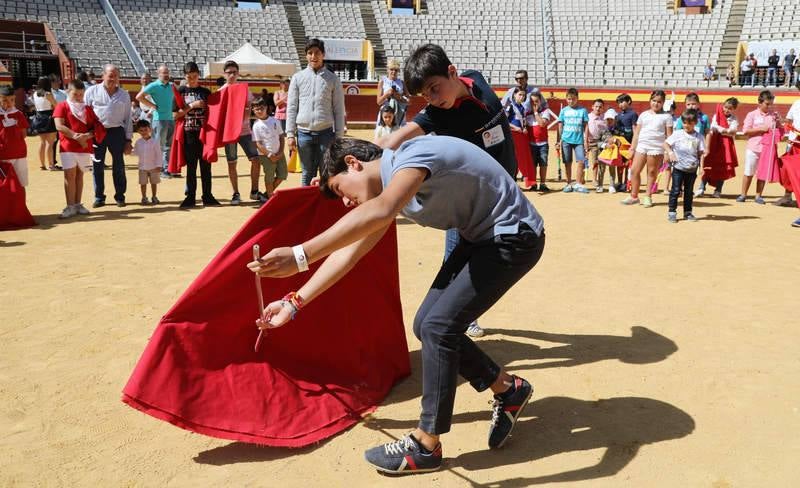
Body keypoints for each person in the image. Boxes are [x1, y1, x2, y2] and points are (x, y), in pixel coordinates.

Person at [247, 135, 545, 475]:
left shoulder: (413, 158)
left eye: (341, 190)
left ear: (353, 164)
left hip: (513, 237)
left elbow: (381, 210)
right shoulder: (391, 191)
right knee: (426, 325)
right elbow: (351, 252)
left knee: (438, 327)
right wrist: (294, 302)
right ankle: (508, 388)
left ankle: (426, 444)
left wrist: (300, 254)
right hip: (480, 239)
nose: (345, 202)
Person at [375, 43, 519, 338]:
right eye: (424, 95)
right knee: (455, 258)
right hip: (469, 201)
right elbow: (397, 138)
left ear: (453, 73)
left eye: (434, 88)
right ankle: (455, 317)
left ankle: (458, 315)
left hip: (503, 190)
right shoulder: (436, 115)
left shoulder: (476, 78)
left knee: (486, 257)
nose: (431, 99)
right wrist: (354, 160)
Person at [286, 39, 346, 187]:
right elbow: (292, 107)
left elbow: (339, 109)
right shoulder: (297, 78)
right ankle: (307, 206)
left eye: (317, 53)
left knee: (326, 172)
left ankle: (322, 207)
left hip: (326, 133)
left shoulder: (333, 79)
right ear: (306, 56)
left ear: (323, 54)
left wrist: (339, 137)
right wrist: (290, 134)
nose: (314, 56)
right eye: (310, 53)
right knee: (307, 172)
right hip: (303, 134)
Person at [84, 64, 133, 207]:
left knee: (119, 165)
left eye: (115, 76)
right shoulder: (91, 92)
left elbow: (128, 118)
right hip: (97, 132)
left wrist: (128, 139)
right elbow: (85, 114)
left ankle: (120, 196)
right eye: (110, 75)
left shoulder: (124, 95)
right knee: (97, 165)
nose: (113, 79)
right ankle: (99, 197)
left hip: (117, 132)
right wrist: (87, 134)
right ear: (103, 76)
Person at [53, 79, 101, 218]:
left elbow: (96, 127)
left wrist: (87, 135)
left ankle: (78, 204)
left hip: (84, 146)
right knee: (69, 175)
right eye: (75, 94)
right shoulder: (62, 106)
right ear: (68, 91)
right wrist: (76, 136)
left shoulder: (87, 108)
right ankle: (70, 206)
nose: (79, 97)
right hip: (68, 146)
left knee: (80, 175)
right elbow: (59, 126)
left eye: (81, 94)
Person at [174, 61, 219, 209]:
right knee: (192, 167)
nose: (192, 79)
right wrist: (192, 106)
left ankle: (208, 196)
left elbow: (214, 113)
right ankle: (191, 197)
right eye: (189, 77)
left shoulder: (206, 92)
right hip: (189, 133)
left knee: (206, 166)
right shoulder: (180, 91)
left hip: (205, 133)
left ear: (198, 75)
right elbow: (175, 115)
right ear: (185, 76)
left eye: (194, 76)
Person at [220, 60, 264, 205]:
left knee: (256, 160)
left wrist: (244, 111)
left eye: (234, 72)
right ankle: (235, 193)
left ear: (238, 73)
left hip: (245, 130)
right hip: (230, 132)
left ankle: (254, 191)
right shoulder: (221, 92)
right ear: (224, 74)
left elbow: (249, 107)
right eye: (229, 72)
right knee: (232, 163)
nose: (232, 75)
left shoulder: (245, 90)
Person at [622, 90, 672, 207]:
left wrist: (667, 151)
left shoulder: (667, 116)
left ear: (663, 102)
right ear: (650, 100)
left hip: (656, 148)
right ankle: (634, 196)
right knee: (634, 171)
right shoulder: (644, 115)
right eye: (654, 101)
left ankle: (648, 196)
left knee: (651, 172)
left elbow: (669, 136)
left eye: (659, 102)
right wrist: (632, 148)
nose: (656, 103)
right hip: (642, 146)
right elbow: (637, 133)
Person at [664, 109, 705, 223]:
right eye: (685, 122)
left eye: (690, 123)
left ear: (695, 123)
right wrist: (671, 153)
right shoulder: (677, 134)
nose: (687, 125)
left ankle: (688, 212)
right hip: (678, 167)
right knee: (676, 190)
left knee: (689, 192)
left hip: (692, 169)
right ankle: (672, 212)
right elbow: (666, 144)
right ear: (682, 122)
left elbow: (701, 154)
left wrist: (702, 167)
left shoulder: (699, 137)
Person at [738, 90, 779, 204]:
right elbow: (745, 131)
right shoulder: (752, 115)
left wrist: (779, 123)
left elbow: (779, 128)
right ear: (760, 102)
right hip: (753, 147)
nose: (769, 106)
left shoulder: (774, 116)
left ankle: (758, 196)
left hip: (767, 148)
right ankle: (743, 195)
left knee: (762, 172)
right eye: (767, 104)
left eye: (771, 104)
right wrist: (761, 129)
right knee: (748, 171)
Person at [137, 65, 176, 178]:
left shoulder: (172, 86)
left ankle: (165, 168)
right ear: (158, 74)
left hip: (170, 118)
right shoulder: (153, 85)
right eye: (164, 73)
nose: (166, 75)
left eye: (167, 72)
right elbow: (139, 97)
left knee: (168, 145)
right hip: (159, 119)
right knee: (157, 146)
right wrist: (153, 105)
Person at [700, 97, 740, 198]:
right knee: (709, 163)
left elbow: (733, 131)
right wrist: (725, 131)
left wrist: (723, 130)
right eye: (725, 107)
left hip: (726, 146)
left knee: (723, 167)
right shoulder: (716, 116)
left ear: (733, 109)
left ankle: (718, 189)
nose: (726, 110)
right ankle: (702, 187)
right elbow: (714, 127)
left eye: (729, 108)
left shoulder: (734, 119)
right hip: (715, 143)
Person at [251, 97, 287, 201]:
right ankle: (270, 198)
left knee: (282, 175)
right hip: (266, 156)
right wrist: (269, 155)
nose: (259, 111)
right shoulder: (256, 126)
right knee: (270, 177)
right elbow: (258, 143)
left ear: (266, 108)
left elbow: (281, 136)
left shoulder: (275, 121)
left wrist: (280, 152)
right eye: (256, 109)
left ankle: (266, 195)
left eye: (261, 108)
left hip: (279, 154)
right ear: (253, 110)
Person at [557, 88, 589, 193]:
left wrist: (586, 140)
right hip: (566, 140)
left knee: (581, 161)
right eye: (569, 99)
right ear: (566, 99)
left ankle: (578, 183)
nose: (571, 101)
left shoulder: (583, 110)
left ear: (577, 98)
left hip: (579, 140)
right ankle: (569, 183)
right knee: (567, 162)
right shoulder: (564, 111)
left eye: (573, 99)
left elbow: (586, 126)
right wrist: (559, 140)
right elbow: (560, 125)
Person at [0, 85, 30, 189]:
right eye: (4, 100)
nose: (8, 103)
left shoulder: (19, 114)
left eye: (12, 100)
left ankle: (21, 205)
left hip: (20, 154)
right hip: (3, 156)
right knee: (5, 185)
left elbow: (24, 134)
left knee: (21, 184)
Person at [31, 76, 59, 171]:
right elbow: (56, 105)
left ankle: (42, 165)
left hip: (39, 117)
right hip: (49, 117)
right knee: (50, 143)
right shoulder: (48, 94)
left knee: (42, 143)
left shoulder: (35, 94)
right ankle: (51, 165)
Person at [132, 120, 161, 205]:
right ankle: (144, 197)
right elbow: (136, 152)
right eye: (141, 130)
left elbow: (159, 154)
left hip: (153, 167)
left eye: (145, 129)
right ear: (138, 131)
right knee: (143, 183)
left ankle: (154, 197)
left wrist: (159, 165)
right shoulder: (138, 142)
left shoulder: (155, 141)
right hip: (142, 167)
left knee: (154, 183)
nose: (144, 132)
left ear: (150, 129)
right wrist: (129, 151)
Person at [613, 93, 637, 192]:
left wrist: (634, 144)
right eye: (619, 102)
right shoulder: (618, 116)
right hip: (620, 144)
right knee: (619, 163)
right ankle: (619, 183)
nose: (621, 104)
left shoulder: (633, 114)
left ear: (629, 102)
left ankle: (627, 183)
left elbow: (635, 129)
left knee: (628, 164)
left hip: (629, 143)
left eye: (622, 102)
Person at [528, 94, 551, 192]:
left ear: (540, 101)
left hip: (543, 144)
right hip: (531, 143)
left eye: (536, 101)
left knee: (543, 164)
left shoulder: (545, 112)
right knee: (532, 164)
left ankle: (542, 184)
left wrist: (536, 113)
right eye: (532, 101)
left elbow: (542, 124)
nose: (534, 103)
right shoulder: (527, 114)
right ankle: (533, 183)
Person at [376, 59, 410, 126]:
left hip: (399, 111)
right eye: (391, 69)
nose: (393, 72)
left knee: (399, 134)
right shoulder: (382, 82)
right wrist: (387, 94)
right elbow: (379, 102)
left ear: (398, 71)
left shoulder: (402, 83)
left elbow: (409, 101)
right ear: (387, 70)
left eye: (396, 70)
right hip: (386, 112)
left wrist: (399, 97)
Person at [585, 99, 608, 192]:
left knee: (595, 161)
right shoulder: (587, 116)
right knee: (582, 161)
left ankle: (594, 179)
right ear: (592, 107)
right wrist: (585, 141)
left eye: (600, 107)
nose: (598, 108)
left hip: (596, 142)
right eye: (596, 106)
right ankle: (581, 179)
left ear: (603, 108)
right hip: (585, 140)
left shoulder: (604, 119)